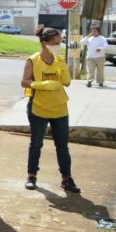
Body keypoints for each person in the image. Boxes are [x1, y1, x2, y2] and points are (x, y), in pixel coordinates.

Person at [21, 26, 81, 193]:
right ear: (45, 42)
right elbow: (24, 82)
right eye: (56, 42)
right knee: (36, 144)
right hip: (38, 108)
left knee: (62, 146)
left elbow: (67, 82)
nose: (58, 44)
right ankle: (31, 176)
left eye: (60, 41)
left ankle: (67, 178)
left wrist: (63, 66)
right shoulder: (33, 60)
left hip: (60, 109)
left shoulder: (59, 59)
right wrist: (41, 85)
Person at [81, 23, 107, 87]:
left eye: (95, 31)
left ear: (98, 32)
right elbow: (82, 42)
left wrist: (100, 48)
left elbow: (106, 45)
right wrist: (88, 36)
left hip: (100, 57)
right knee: (90, 70)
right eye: (92, 31)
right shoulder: (89, 38)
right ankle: (89, 81)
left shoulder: (102, 38)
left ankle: (100, 82)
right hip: (90, 57)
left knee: (100, 70)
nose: (93, 32)